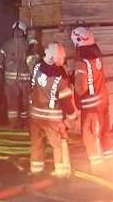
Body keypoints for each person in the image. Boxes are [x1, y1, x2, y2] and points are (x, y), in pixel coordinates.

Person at [28, 42, 76, 178]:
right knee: (58, 144)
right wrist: (72, 116)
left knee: (36, 143)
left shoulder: (37, 67)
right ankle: (61, 172)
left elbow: (30, 81)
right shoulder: (62, 77)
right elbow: (66, 101)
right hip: (52, 119)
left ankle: (36, 170)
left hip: (36, 115)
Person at [70, 26, 111, 168]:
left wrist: (71, 81)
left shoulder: (82, 62)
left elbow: (81, 88)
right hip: (102, 102)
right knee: (104, 133)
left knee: (90, 137)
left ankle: (98, 167)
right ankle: (111, 163)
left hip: (90, 107)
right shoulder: (97, 58)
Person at [0, 20, 32, 128]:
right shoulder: (7, 44)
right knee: (12, 104)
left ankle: (27, 124)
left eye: (19, 31)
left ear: (24, 32)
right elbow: (0, 60)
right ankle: (14, 124)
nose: (17, 33)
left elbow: (33, 61)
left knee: (26, 103)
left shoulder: (28, 44)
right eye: (15, 31)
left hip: (25, 81)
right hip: (10, 82)